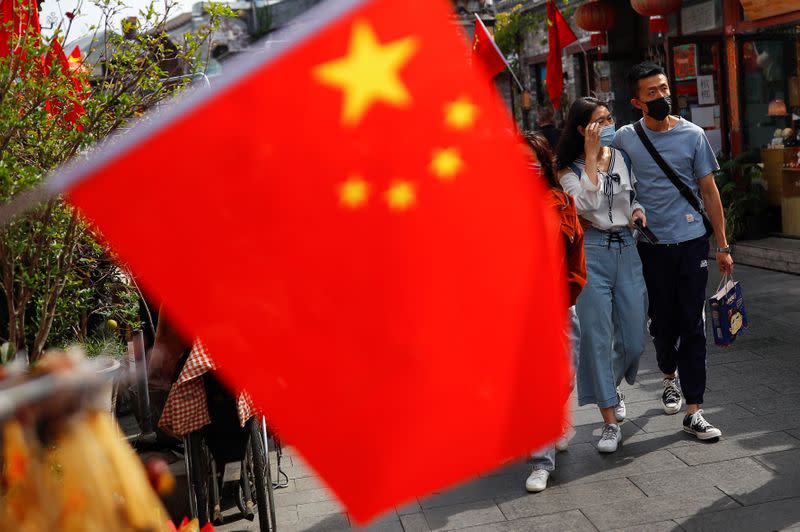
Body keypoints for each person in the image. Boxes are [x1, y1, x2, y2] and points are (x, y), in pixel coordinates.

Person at [613, 62, 732, 440]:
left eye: (664, 89)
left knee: (692, 324)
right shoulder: (625, 138)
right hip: (651, 247)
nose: (662, 97)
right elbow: (590, 158)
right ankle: (669, 377)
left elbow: (709, 191)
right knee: (662, 325)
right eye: (652, 93)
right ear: (637, 102)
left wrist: (723, 245)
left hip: (693, 242)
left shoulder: (694, 135)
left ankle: (695, 410)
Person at [556, 97, 648, 453]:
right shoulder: (568, 169)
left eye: (610, 117)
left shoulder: (622, 158)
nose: (609, 124)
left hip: (627, 248)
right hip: (592, 252)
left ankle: (610, 384)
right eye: (600, 121)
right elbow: (584, 206)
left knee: (634, 338)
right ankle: (610, 420)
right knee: (596, 336)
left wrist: (638, 210)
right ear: (583, 129)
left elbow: (632, 197)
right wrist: (592, 160)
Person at [522, 132, 586, 492]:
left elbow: (576, 250)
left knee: (565, 378)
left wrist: (571, 291)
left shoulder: (560, 202)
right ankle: (540, 462)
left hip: (559, 305)